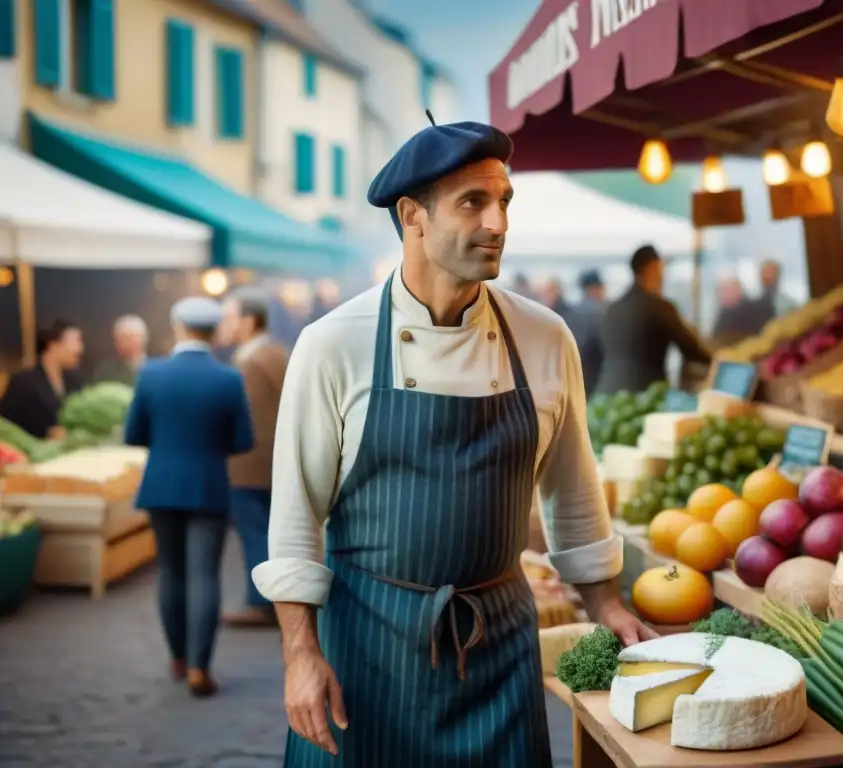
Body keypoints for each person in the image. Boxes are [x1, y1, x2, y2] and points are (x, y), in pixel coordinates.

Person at [253, 115, 654, 767]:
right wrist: (300, 655)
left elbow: (573, 490)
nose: (497, 223)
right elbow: (297, 516)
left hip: (499, 647)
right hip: (365, 653)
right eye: (473, 202)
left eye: (504, 201)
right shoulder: (333, 344)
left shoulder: (545, 337)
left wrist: (605, 602)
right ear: (412, 215)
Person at [124, 297, 254, 698]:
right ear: (214, 333)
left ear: (178, 327)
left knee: (171, 572)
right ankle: (200, 667)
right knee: (204, 576)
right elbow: (242, 440)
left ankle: (178, 658)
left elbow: (134, 435)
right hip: (209, 487)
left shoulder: (150, 374)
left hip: (161, 486)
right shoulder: (228, 379)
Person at [218, 289, 289, 628]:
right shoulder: (275, 352)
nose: (225, 324)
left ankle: (261, 602)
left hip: (251, 467)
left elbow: (244, 419)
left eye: (230, 317)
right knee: (272, 534)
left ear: (249, 321)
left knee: (255, 534)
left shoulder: (251, 361)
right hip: (273, 465)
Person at [596, 245, 712, 394]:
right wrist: (719, 361)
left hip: (607, 393)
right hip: (646, 396)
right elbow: (691, 349)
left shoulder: (612, 308)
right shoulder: (660, 307)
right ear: (653, 267)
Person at [0, 320, 84, 439]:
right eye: (76, 341)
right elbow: (5, 425)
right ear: (53, 344)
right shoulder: (24, 382)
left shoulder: (74, 381)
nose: (81, 348)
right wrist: (45, 433)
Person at [573, 269, 606, 397]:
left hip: (577, 376)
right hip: (598, 376)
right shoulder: (602, 311)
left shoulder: (573, 310)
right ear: (595, 288)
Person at [94, 314, 148, 386]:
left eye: (129, 337)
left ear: (143, 339)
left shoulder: (158, 369)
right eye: (119, 338)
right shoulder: (106, 372)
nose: (124, 343)